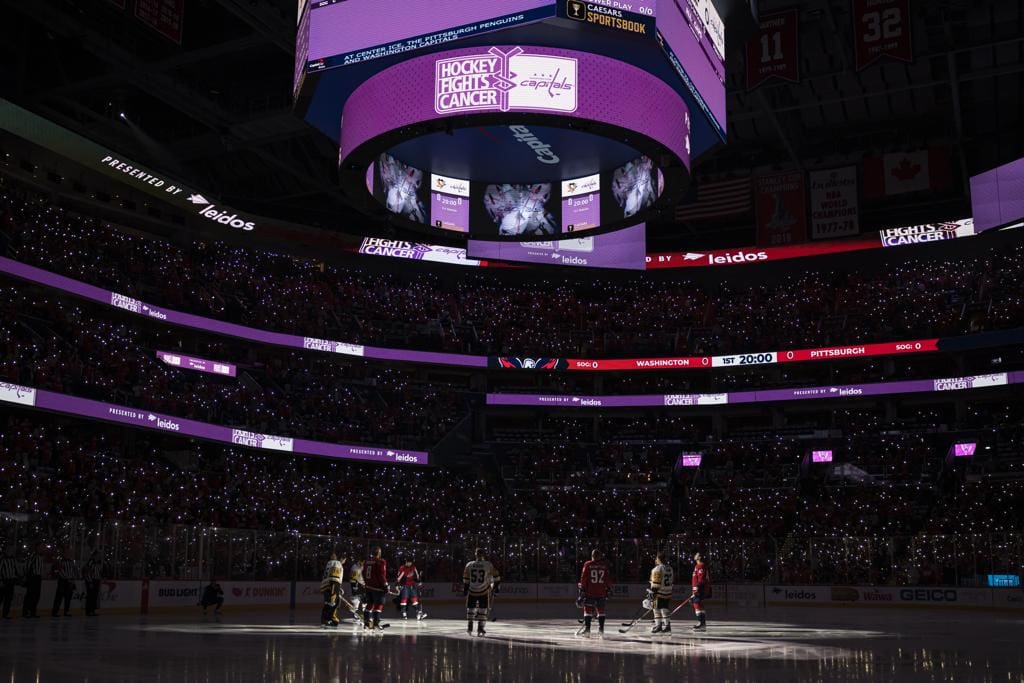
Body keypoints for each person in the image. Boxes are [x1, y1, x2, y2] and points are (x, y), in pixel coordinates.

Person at [463, 548, 500, 636]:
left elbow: (466, 579)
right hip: (484, 591)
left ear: (475, 554)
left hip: (472, 590)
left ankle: (469, 627)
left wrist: (465, 588)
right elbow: (497, 577)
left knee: (471, 609)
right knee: (483, 610)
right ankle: (480, 628)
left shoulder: (469, 564)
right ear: (483, 555)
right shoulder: (488, 565)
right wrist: (496, 587)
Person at [577, 549, 613, 636]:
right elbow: (607, 579)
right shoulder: (604, 566)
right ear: (600, 556)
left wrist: (582, 588)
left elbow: (584, 577)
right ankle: (601, 630)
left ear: (592, 556)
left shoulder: (588, 564)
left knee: (588, 610)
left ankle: (587, 629)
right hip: (601, 591)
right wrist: (609, 588)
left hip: (590, 591)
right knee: (601, 611)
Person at [362, 547, 389, 630]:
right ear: (379, 553)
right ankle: (376, 623)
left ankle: (366, 623)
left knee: (369, 605)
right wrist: (385, 585)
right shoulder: (381, 562)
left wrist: (367, 583)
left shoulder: (366, 562)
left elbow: (363, 573)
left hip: (368, 587)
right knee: (378, 605)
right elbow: (381, 575)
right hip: (377, 588)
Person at [649, 551, 674, 634]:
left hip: (659, 592)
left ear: (659, 559)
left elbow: (656, 583)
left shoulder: (657, 569)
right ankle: (667, 626)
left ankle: (658, 625)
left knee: (656, 609)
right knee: (665, 609)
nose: (655, 559)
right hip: (668, 592)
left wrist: (652, 592)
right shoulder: (670, 568)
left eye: (656, 558)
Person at [51, 549, 79, 617]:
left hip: (69, 581)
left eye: (69, 553)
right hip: (63, 581)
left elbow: (73, 571)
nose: (69, 554)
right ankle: (55, 612)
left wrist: (73, 579)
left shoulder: (72, 562)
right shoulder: (60, 561)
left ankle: (66, 611)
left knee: (68, 597)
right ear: (64, 554)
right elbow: (60, 571)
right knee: (59, 597)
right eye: (67, 553)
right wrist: (68, 578)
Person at [320, 552, 344, 627]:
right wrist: (335, 587)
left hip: (326, 585)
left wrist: (338, 587)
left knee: (329, 603)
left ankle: (327, 620)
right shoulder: (337, 563)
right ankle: (328, 620)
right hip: (332, 585)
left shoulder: (329, 563)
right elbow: (334, 577)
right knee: (333, 603)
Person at [691, 552, 711, 632]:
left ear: (698, 558)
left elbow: (701, 580)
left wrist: (696, 589)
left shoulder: (701, 566)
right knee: (699, 605)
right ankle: (702, 623)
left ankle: (701, 623)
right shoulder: (698, 566)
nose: (695, 555)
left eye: (697, 554)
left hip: (700, 589)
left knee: (697, 605)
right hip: (698, 589)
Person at [22, 544, 43, 618]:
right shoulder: (33, 556)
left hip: (38, 577)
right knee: (30, 595)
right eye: (40, 547)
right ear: (36, 548)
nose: (41, 549)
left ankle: (32, 612)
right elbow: (27, 565)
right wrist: (27, 575)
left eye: (41, 547)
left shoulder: (40, 557)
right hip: (32, 577)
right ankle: (26, 612)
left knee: (36, 595)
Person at [82, 550, 102, 617]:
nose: (99, 557)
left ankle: (92, 611)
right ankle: (89, 611)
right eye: (98, 555)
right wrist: (90, 581)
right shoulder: (91, 562)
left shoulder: (97, 563)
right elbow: (87, 572)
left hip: (96, 581)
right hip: (92, 581)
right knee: (90, 596)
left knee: (94, 597)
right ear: (95, 555)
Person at [0, 545, 18, 619]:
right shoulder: (2, 560)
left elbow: (15, 569)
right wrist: (0, 580)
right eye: (10, 550)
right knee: (1, 598)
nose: (11, 552)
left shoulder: (13, 560)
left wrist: (16, 577)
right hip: (4, 581)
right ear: (6, 551)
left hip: (11, 581)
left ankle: (5, 614)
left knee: (9, 598)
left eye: (12, 550)